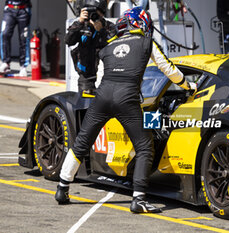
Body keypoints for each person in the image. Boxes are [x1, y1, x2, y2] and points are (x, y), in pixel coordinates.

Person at [55, 6, 197, 213]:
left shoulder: (109, 45)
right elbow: (169, 70)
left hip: (102, 96)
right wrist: (188, 86)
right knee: (144, 147)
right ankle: (138, 199)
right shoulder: (147, 42)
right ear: (142, 24)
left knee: (82, 142)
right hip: (126, 98)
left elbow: (102, 72)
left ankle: (62, 187)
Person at [65, 0, 115, 94]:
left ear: (102, 14)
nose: (93, 15)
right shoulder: (81, 25)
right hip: (87, 77)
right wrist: (80, 22)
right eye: (90, 12)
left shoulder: (108, 26)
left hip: (109, 76)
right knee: (85, 104)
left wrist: (101, 31)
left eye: (96, 12)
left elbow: (115, 44)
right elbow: (68, 41)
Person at [0, 0, 31, 76]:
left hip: (24, 9)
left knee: (24, 37)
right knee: (4, 34)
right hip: (9, 9)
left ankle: (23, 66)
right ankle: (5, 62)